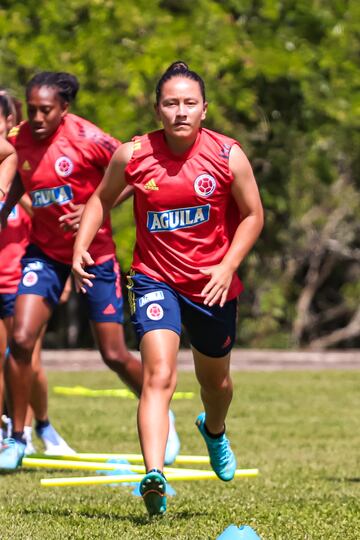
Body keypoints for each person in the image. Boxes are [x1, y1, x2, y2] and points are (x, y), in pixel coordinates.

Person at [72, 61, 264, 516]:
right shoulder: (133, 155)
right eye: (171, 103)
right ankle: (153, 474)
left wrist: (227, 265)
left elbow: (254, 216)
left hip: (212, 285)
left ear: (204, 109)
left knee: (214, 383)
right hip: (154, 279)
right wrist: (80, 245)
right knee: (158, 376)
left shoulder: (226, 155)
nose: (181, 111)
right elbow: (100, 199)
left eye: (190, 103)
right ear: (157, 109)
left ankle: (213, 430)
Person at [0, 71, 180, 469]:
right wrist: (6, 206)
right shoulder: (20, 139)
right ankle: (16, 438)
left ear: (65, 109)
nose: (38, 117)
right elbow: (19, 179)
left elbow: (137, 170)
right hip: (43, 254)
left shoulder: (88, 138)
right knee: (23, 338)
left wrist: (96, 206)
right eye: (31, 110)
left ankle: (159, 408)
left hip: (93, 254)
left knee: (114, 353)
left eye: (46, 110)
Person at [0, 90, 74, 455]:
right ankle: (12, 431)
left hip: (21, 279)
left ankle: (38, 426)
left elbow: (50, 225)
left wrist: (66, 274)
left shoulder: (21, 179)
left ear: (10, 123)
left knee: (26, 356)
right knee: (6, 360)